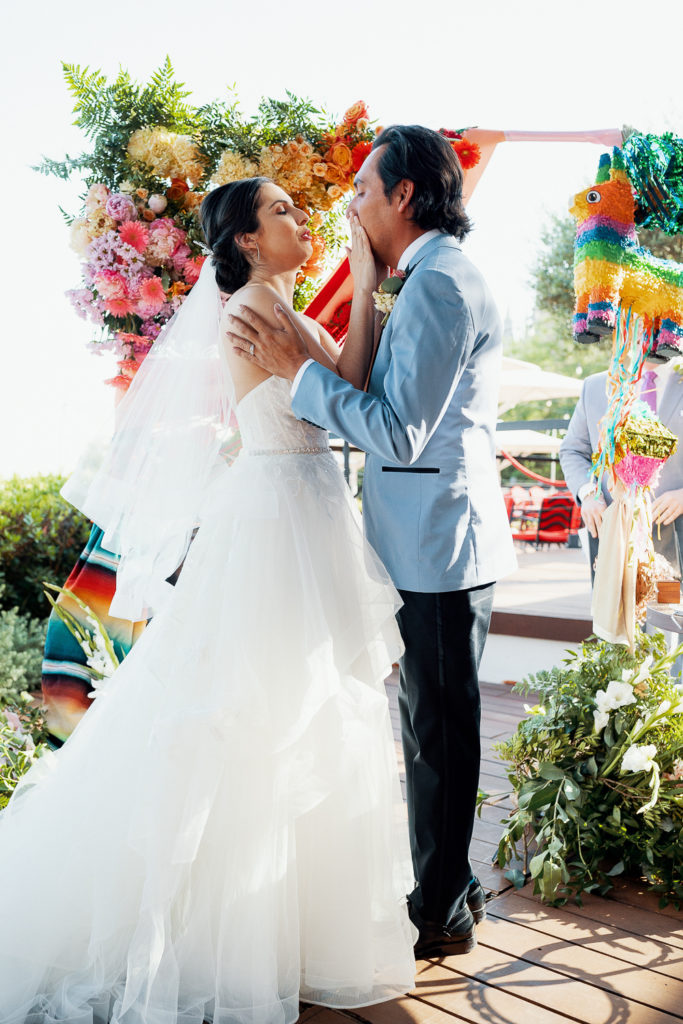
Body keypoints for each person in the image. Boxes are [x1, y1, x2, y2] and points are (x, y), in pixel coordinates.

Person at [0, 178, 417, 1022]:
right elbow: (339, 398)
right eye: (280, 213)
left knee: (311, 713)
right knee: (260, 720)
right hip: (275, 522)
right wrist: (342, 321)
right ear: (246, 242)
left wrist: (368, 281)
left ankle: (293, 930)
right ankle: (228, 937)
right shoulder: (249, 314)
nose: (299, 219)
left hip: (307, 512)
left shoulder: (280, 309)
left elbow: (349, 380)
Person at [226, 126, 517, 958]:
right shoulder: (422, 279)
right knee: (433, 724)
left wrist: (299, 375)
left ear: (401, 194)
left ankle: (439, 909)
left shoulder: (438, 287)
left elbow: (398, 432)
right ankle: (445, 888)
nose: (348, 205)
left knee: (439, 732)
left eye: (360, 189)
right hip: (428, 537)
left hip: (437, 544)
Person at [560, 359, 683, 581]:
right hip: (611, 538)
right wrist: (588, 493)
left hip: (677, 535)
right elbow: (572, 451)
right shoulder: (595, 386)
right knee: (610, 615)